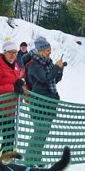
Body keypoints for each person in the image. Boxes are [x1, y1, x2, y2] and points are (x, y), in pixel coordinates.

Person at [25, 35, 64, 163]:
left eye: (50, 49)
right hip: (39, 104)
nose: (50, 52)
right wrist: (56, 68)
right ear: (41, 50)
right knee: (39, 132)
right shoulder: (34, 64)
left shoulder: (47, 62)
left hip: (49, 104)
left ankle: (37, 157)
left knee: (44, 133)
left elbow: (54, 79)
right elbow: (45, 78)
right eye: (47, 50)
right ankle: (30, 158)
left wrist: (60, 69)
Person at [0, 40, 23, 150]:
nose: (13, 55)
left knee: (9, 138)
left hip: (10, 109)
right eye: (10, 52)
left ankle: (6, 162)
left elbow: (16, 82)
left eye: (15, 52)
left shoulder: (15, 66)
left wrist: (20, 85)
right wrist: (13, 88)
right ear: (4, 53)